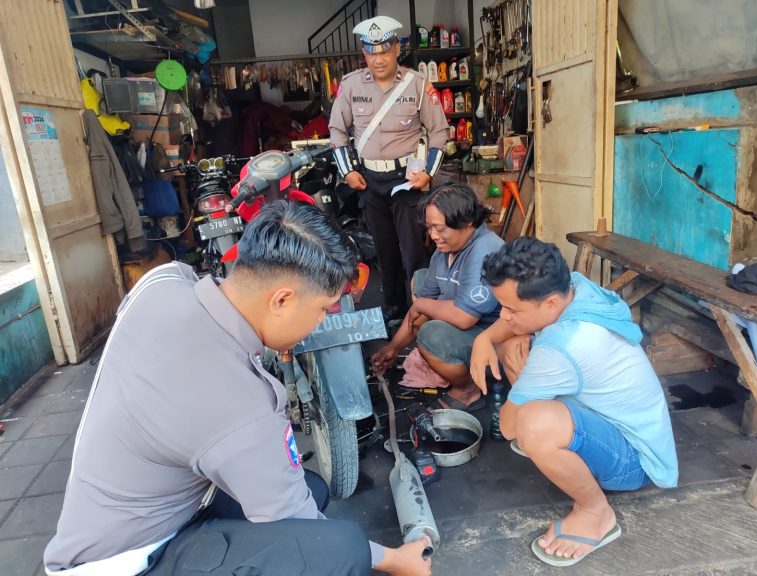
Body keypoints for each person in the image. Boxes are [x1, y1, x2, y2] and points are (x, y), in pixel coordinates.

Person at [44, 201, 431, 576]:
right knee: (339, 549)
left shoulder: (163, 283)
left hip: (127, 515)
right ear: (281, 300)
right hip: (129, 561)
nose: (319, 323)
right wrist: (398, 560)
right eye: (322, 310)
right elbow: (297, 520)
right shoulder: (239, 405)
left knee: (309, 488)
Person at [469, 237, 678, 567]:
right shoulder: (574, 285)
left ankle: (595, 512)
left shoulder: (563, 345)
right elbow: (516, 325)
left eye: (511, 309)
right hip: (617, 420)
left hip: (635, 460)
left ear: (550, 303)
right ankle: (558, 437)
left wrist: (517, 367)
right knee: (514, 344)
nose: (503, 316)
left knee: (532, 424)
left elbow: (509, 428)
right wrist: (487, 337)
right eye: (501, 307)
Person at [329, 15, 449, 322]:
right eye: (371, 52)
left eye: (384, 50)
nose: (378, 59)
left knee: (414, 252)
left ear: (397, 49)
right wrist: (348, 172)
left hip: (408, 180)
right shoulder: (351, 85)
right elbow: (337, 132)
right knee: (384, 252)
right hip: (369, 181)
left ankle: (422, 310)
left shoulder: (418, 84)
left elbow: (439, 132)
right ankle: (394, 309)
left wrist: (429, 174)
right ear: (364, 53)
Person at [371, 183, 503, 411]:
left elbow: (463, 318)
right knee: (421, 278)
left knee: (431, 334)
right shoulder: (445, 253)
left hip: (495, 343)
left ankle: (468, 389)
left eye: (440, 229)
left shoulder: (485, 250)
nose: (433, 236)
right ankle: (449, 364)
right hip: (467, 332)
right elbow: (421, 309)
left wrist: (421, 305)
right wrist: (393, 348)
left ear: (467, 223)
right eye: (429, 228)